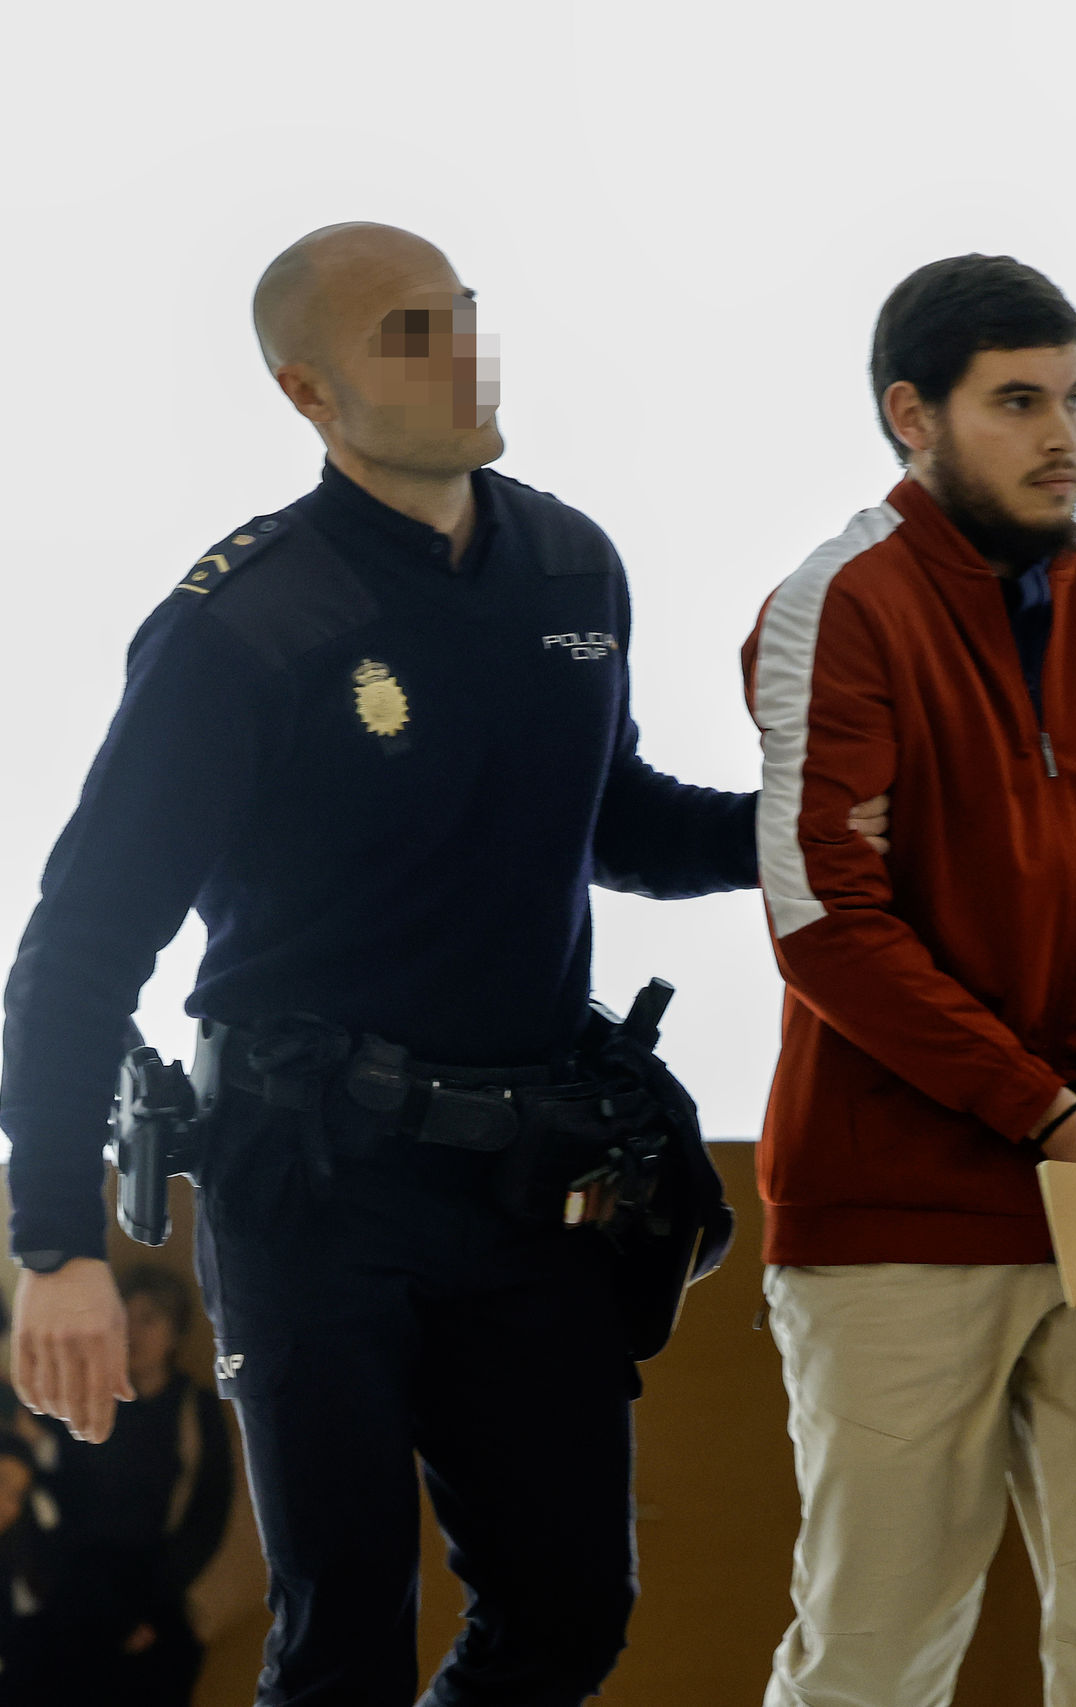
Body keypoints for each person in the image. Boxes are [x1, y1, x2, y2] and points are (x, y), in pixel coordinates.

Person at [0, 221, 759, 1705]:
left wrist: (803, 829)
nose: (463, 352)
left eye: (462, 313)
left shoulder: (569, 565)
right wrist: (54, 1247)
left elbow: (613, 821)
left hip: (532, 1181)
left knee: (569, 1610)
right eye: (410, 334)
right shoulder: (245, 625)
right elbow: (78, 945)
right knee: (341, 1637)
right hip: (315, 1187)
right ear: (310, 392)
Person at [743, 253, 1076, 1707]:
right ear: (911, 414)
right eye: (1019, 402)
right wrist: (1048, 1111)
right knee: (875, 1653)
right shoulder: (839, 605)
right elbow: (826, 922)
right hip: (902, 1208)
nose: (1064, 437)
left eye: (1075, 397)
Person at [23, 1267, 230, 1707]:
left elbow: (208, 1516)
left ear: (175, 1334)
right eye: (124, 1317)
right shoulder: (84, 1393)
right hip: (74, 1585)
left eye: (149, 1319)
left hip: (153, 1587)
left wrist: (150, 1599)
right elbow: (46, 1480)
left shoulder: (194, 1409)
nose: (132, 1331)